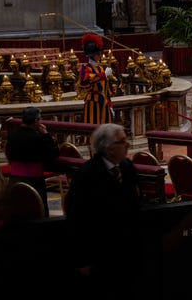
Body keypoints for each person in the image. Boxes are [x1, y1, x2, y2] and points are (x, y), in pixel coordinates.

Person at [65, 123, 142, 299]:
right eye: (123, 141)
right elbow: (76, 219)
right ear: (109, 148)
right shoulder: (86, 175)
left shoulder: (127, 167)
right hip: (101, 252)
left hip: (128, 250)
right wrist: (80, 260)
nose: (128, 144)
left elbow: (136, 205)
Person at [6, 106, 59, 218]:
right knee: (37, 211)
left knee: (19, 210)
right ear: (35, 121)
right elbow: (53, 153)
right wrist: (46, 134)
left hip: (14, 179)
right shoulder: (36, 138)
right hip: (34, 181)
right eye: (39, 119)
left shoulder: (12, 135)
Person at [79, 33, 115, 126]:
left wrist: (110, 105)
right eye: (98, 54)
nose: (100, 55)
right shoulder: (85, 68)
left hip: (104, 103)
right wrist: (103, 75)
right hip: (92, 103)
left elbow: (106, 89)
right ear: (92, 55)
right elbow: (84, 82)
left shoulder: (101, 68)